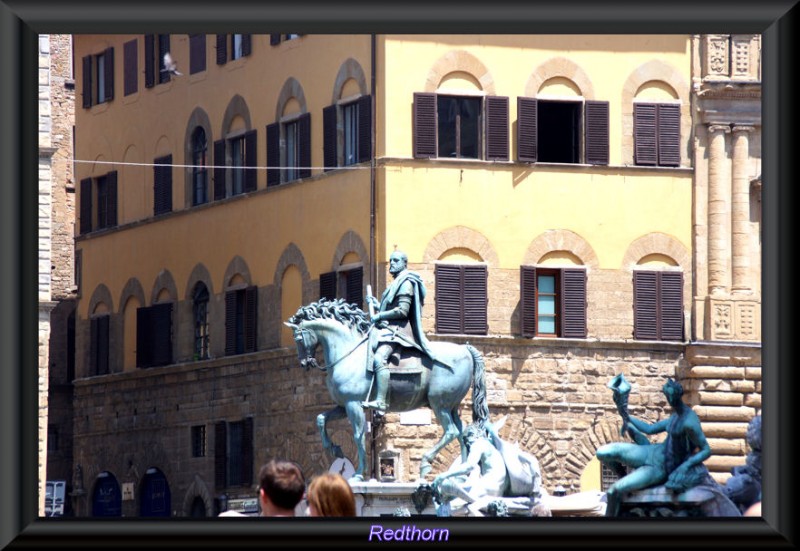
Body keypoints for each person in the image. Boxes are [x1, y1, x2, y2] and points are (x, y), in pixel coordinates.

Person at [596, 378, 712, 517]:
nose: (668, 401)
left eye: (669, 397)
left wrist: (685, 466)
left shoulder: (689, 421)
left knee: (613, 491)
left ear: (675, 396)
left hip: (661, 467)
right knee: (603, 452)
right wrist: (626, 416)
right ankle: (625, 477)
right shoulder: (676, 416)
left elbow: (706, 449)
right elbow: (650, 429)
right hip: (651, 451)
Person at [362, 250, 437, 411]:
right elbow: (392, 305)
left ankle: (381, 400)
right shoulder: (396, 283)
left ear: (404, 263)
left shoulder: (406, 283)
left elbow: (402, 311)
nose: (392, 264)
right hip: (388, 329)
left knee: (379, 358)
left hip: (398, 331)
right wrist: (377, 305)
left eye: (396, 260)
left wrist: (379, 315)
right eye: (390, 260)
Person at [432, 423, 509, 516]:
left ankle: (446, 511)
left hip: (490, 484)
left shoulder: (478, 443)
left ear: (471, 435)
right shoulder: (488, 445)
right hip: (496, 486)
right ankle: (448, 511)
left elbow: (469, 466)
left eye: (467, 441)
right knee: (467, 504)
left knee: (456, 500)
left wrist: (444, 475)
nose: (468, 445)